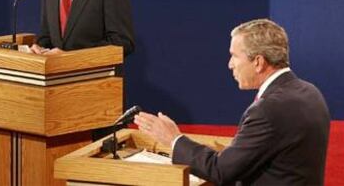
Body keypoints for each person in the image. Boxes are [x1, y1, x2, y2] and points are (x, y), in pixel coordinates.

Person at [134, 19, 330, 185]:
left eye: (234, 56)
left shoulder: (268, 109)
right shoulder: (310, 92)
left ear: (258, 62)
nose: (230, 64)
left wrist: (173, 139)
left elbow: (220, 171)